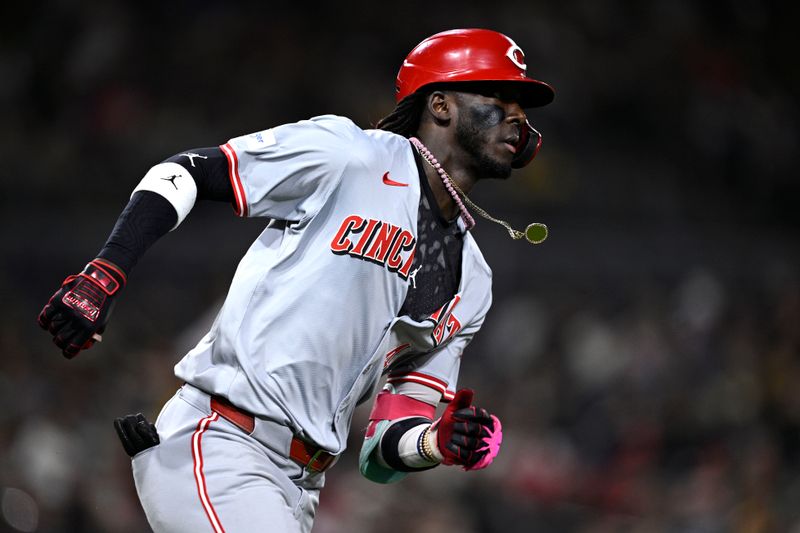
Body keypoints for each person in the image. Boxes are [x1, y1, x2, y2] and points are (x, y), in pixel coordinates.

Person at [37, 28, 555, 533]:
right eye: (497, 95)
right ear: (440, 105)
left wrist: (437, 442)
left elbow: (381, 452)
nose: (517, 117)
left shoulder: (474, 282)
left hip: (301, 485)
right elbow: (185, 172)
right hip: (223, 443)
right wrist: (104, 273)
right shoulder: (350, 154)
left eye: (521, 106)